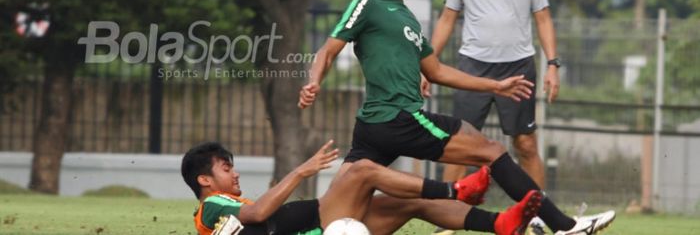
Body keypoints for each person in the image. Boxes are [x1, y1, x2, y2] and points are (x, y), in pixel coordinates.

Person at [298, 0, 614, 235]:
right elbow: (328, 50)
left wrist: (495, 85)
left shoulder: (406, 18)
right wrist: (313, 81)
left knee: (335, 213)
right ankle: (565, 226)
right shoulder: (368, 3)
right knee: (491, 150)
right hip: (398, 118)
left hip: (375, 129)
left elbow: (436, 70)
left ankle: (503, 224)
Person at [428, 0, 559, 235]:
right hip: (473, 67)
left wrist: (553, 65)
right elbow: (447, 19)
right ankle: (449, 220)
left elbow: (543, 19)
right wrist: (426, 65)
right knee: (459, 145)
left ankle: (539, 216)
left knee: (525, 144)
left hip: (518, 66)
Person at [181, 140, 544, 235]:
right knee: (360, 172)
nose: (235, 174)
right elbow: (260, 213)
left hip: (326, 222)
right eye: (227, 168)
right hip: (323, 225)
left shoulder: (229, 204)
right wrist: (301, 171)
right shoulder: (211, 207)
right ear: (204, 180)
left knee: (411, 202)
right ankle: (455, 190)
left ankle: (498, 224)